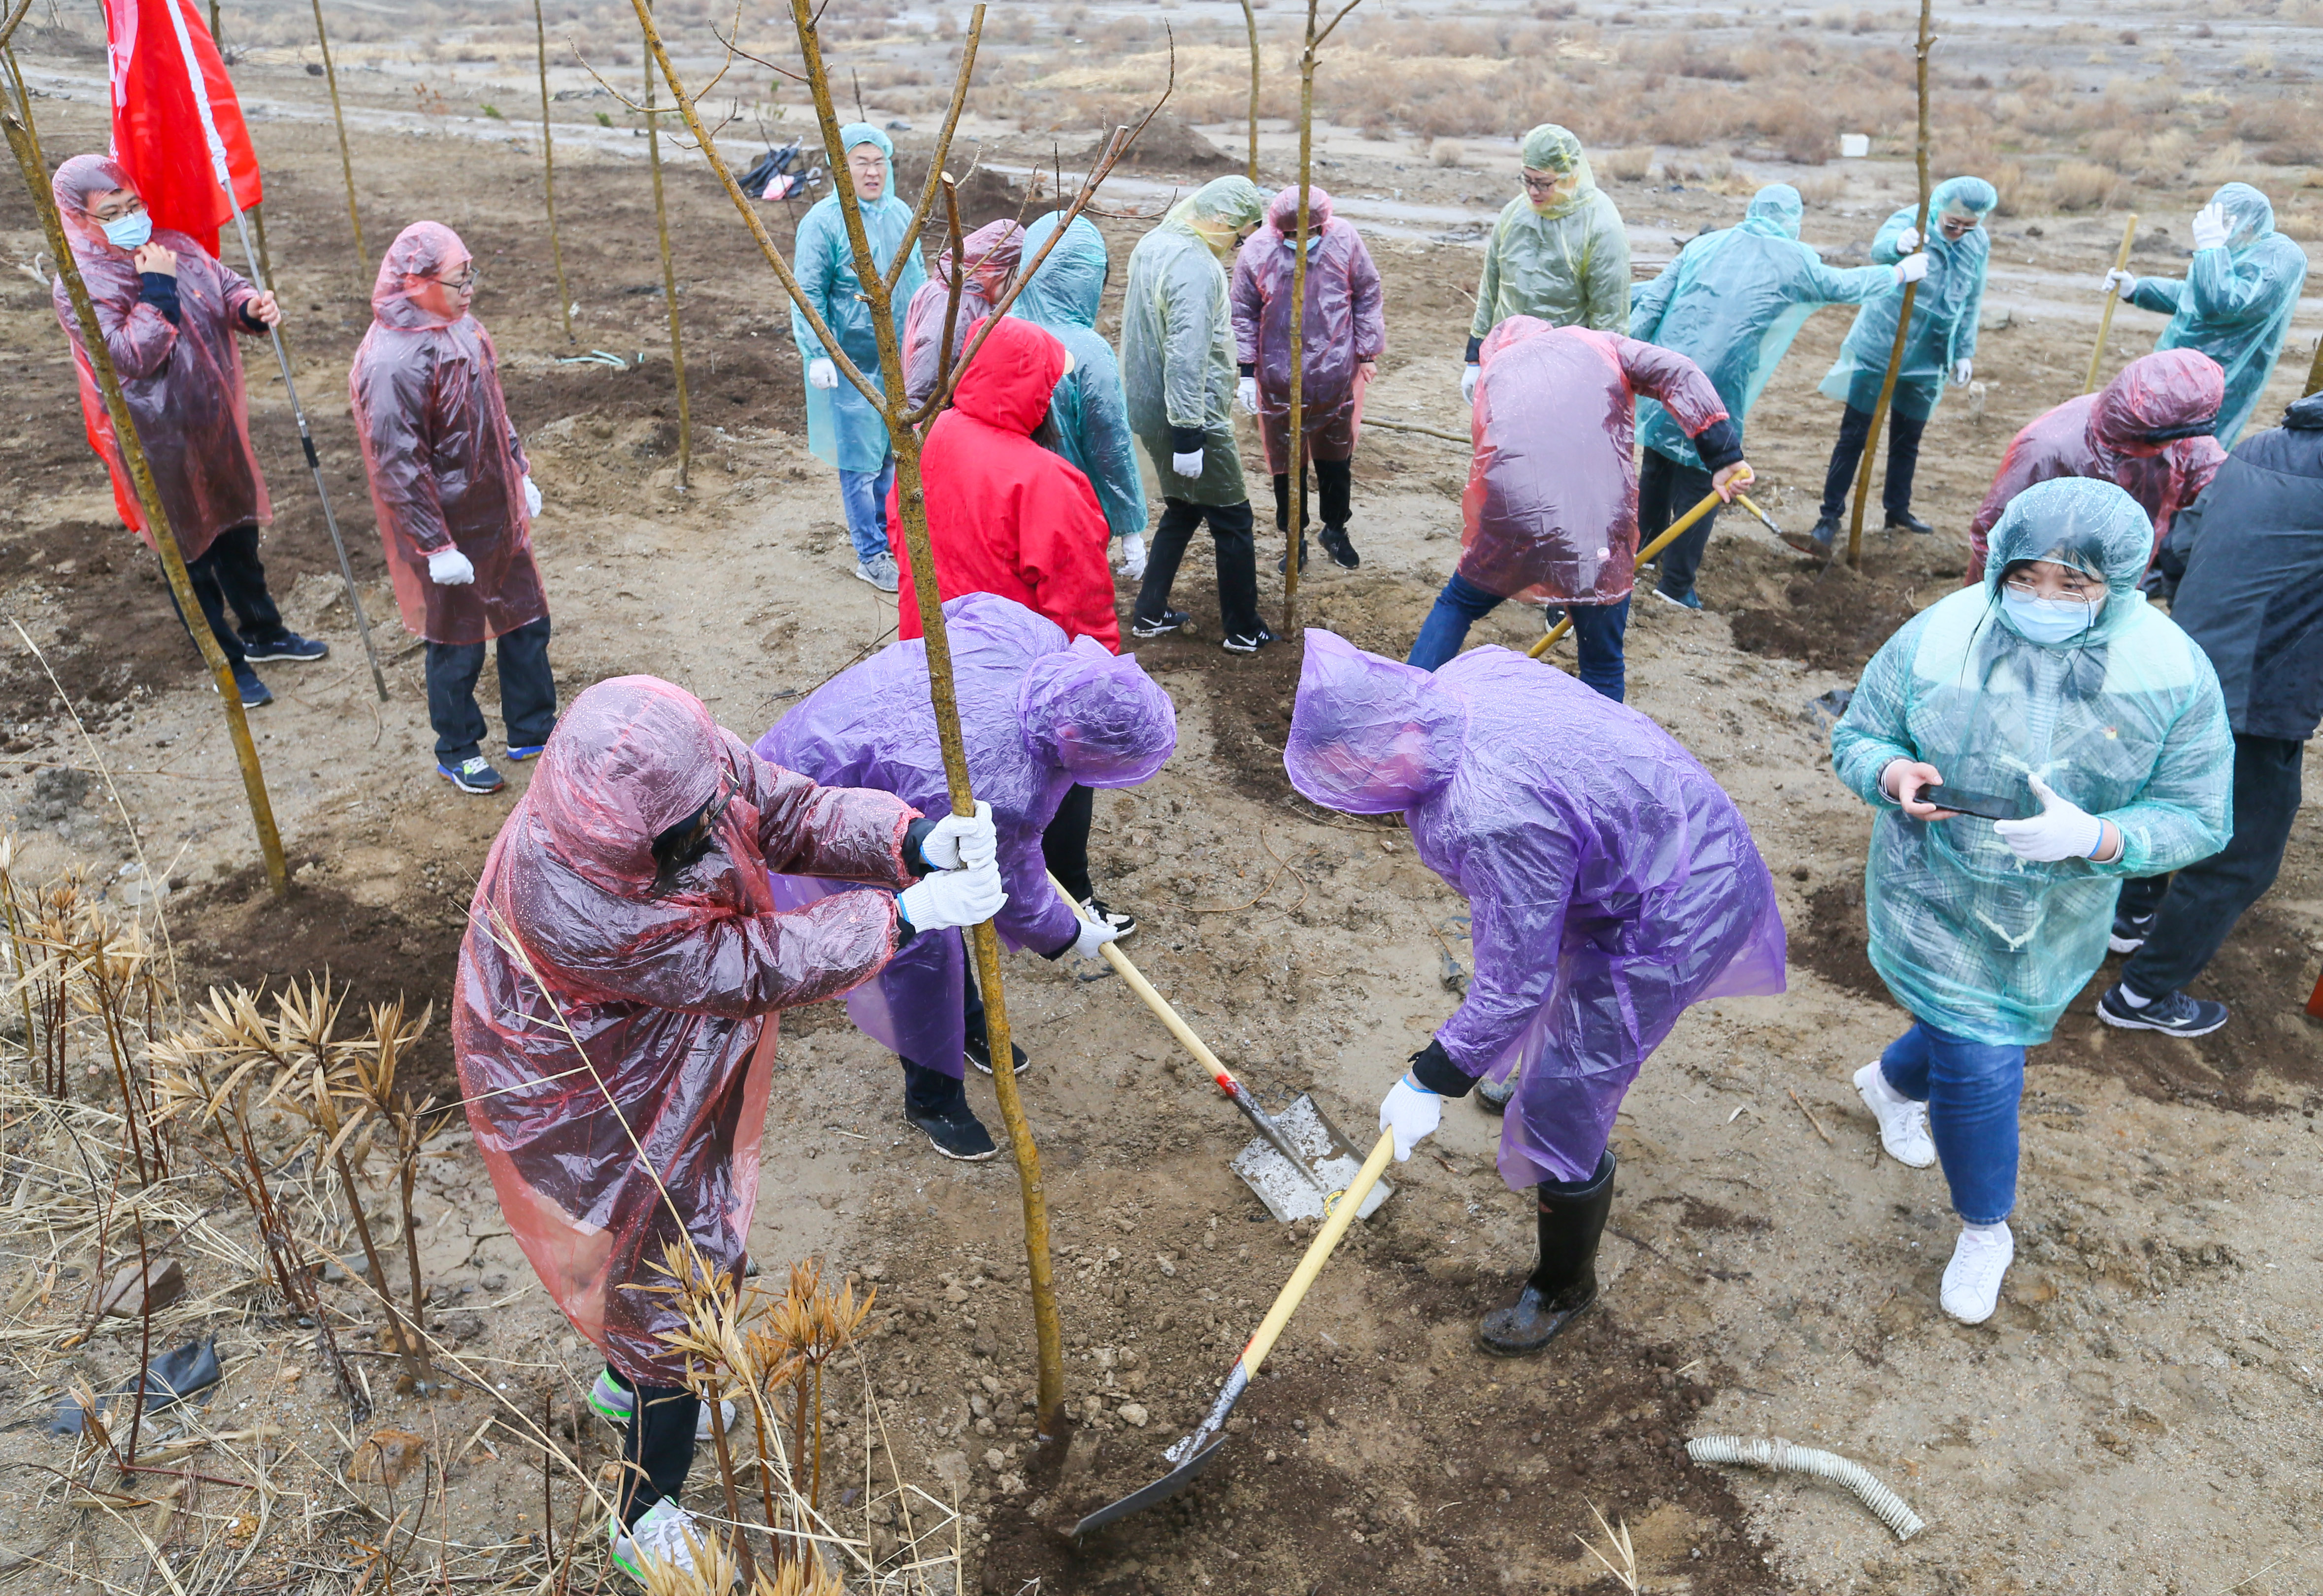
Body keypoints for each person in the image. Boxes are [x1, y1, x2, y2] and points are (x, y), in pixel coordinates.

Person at [455, 675, 1002, 1583]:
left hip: (661, 1055)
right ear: (632, 838)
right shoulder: (580, 900)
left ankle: (624, 1381)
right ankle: (644, 1512)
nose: (718, 816)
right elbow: (746, 962)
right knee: (670, 1282)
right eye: (698, 820)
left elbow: (783, 809)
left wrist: (909, 839)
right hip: (580, 1094)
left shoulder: (676, 769)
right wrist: (901, 916)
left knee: (660, 1264)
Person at [1283, 631, 1784, 1354]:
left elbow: (1513, 984)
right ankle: (1522, 1079)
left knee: (1564, 1100)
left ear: (1394, 734)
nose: (1362, 785)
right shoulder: (1469, 675)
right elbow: (1527, 934)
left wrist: (1430, 1079)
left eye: (1358, 768)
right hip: (1658, 828)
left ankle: (1563, 1286)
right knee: (1543, 965)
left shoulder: (1491, 817)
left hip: (1678, 904)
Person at [1830, 478, 2231, 1325]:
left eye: (2074, 584)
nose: (2044, 599)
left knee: (1962, 1026)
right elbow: (1860, 734)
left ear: (2119, 584)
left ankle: (1891, 1085)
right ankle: (1986, 1227)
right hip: (1931, 889)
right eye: (2025, 577)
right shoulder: (1941, 634)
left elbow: (2199, 814)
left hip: (2054, 914)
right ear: (1999, 569)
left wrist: (2100, 839)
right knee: (1981, 1057)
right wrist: (1893, 774)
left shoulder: (2169, 672)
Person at [759, 594, 1176, 1157]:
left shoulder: (1028, 630)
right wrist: (1072, 934)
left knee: (947, 921)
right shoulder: (1003, 788)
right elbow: (1018, 892)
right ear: (1078, 744)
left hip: (850, 727)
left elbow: (958, 607)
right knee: (922, 945)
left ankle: (969, 1025)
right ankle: (933, 1099)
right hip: (824, 798)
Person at [888, 315, 1136, 950]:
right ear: (1034, 390)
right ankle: (1069, 897)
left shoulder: (926, 438)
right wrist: (1096, 689)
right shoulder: (1047, 481)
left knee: (957, 783)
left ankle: (980, 888)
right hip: (1021, 676)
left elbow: (900, 533)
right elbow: (1081, 606)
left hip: (932, 652)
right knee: (1057, 781)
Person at [48, 154, 326, 709]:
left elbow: (222, 286)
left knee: (237, 533)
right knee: (189, 553)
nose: (131, 218)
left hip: (211, 418)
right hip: (153, 442)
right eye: (112, 212)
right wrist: (157, 286)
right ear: (79, 219)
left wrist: (251, 306)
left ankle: (264, 631)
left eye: (135, 205)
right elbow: (131, 356)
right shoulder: (77, 284)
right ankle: (227, 661)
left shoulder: (174, 244)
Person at [2098, 392, 2323, 1035]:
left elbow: (2181, 546)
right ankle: (2141, 995)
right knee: (2240, 855)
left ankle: (2129, 915)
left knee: (2170, 795)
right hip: (2260, 693)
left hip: (2181, 661)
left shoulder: (2255, 449)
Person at [1407, 317, 1748, 701]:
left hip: (1512, 520)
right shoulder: (1602, 344)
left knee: (1458, 603)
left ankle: (1409, 703)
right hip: (1597, 530)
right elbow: (1678, 372)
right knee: (1602, 664)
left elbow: (1492, 465)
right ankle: (1598, 754)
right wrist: (1722, 455)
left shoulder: (1499, 369)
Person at [1628, 182, 1924, 609]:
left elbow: (1655, 297)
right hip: (1721, 380)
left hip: (1668, 367)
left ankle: (1647, 554)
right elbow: (1839, 286)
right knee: (1703, 471)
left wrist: (1634, 357)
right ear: (1794, 221)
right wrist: (1895, 274)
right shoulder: (1795, 258)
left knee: (1659, 462)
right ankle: (1675, 586)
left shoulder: (1707, 245)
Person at [350, 222, 555, 796]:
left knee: (526, 620)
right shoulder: (391, 362)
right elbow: (397, 462)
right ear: (415, 283)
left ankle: (534, 729)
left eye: (471, 275)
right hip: (444, 523)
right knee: (457, 640)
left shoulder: (465, 330)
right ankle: (458, 748)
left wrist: (518, 471)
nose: (470, 289)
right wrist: (435, 545)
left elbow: (496, 410)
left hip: (495, 507)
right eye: (458, 279)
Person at [1119, 174, 1272, 652]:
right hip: (1191, 416)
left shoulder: (1155, 242)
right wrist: (1190, 432)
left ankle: (1149, 611)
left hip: (1148, 407)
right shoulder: (1196, 266)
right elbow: (1187, 356)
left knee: (1183, 510)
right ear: (1223, 219)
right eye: (1240, 233)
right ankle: (1243, 628)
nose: (1238, 244)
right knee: (1233, 519)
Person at [1806, 175, 1997, 549]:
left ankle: (1898, 512)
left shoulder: (1979, 242)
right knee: (1855, 434)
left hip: (1931, 355)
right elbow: (1880, 251)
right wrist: (1898, 246)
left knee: (1908, 440)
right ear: (1940, 209)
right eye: (1952, 224)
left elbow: (1972, 298)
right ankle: (1829, 516)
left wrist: (1963, 350)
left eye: (1969, 226)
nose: (1959, 232)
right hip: (1883, 345)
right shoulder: (1914, 220)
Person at [792, 124, 928, 593]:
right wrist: (817, 352)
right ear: (840, 169)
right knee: (859, 461)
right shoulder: (825, 222)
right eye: (860, 163)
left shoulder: (900, 213)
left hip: (897, 357)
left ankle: (890, 537)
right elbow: (807, 292)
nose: (872, 172)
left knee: (892, 453)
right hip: (849, 361)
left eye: (879, 162)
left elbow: (918, 279)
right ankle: (870, 554)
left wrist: (924, 340)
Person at [1963, 349, 2226, 585]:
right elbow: (1993, 533)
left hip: (2113, 580)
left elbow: (2218, 481)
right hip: (2042, 581)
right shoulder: (2048, 449)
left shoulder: (2180, 439)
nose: (2179, 444)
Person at [1230, 184, 1385, 572]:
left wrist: (1366, 352)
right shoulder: (1257, 251)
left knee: (1336, 459)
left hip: (1336, 374)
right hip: (1279, 378)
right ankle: (1294, 536)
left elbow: (1367, 293)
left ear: (1324, 225)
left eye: (1313, 233)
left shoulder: (1345, 240)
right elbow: (1243, 313)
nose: (1306, 241)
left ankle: (1335, 529)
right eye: (1296, 236)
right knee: (1287, 464)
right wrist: (1247, 372)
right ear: (1280, 231)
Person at [2104, 183, 2309, 449]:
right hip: (2177, 369)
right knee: (2149, 441)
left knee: (2188, 453)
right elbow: (2195, 297)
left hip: (2220, 379)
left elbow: (2221, 304)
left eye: (2226, 219)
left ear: (2248, 225)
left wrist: (2212, 251)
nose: (2219, 226)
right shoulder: (2233, 251)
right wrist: (2138, 289)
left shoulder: (2279, 259)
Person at [1009, 211, 1150, 578]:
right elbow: (1109, 443)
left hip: (1000, 508)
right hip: (1067, 514)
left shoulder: (997, 328)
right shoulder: (1087, 351)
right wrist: (1129, 525)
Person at [1461, 125, 1628, 404]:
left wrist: (1604, 379)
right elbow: (1491, 286)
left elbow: (1609, 315)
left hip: (1567, 367)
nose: (1533, 191)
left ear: (1570, 177)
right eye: (1526, 180)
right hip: (1506, 359)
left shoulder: (1600, 226)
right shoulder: (1515, 214)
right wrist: (1474, 357)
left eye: (1543, 183)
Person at [901, 218, 1024, 411]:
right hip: (940, 430)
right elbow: (924, 388)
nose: (1016, 289)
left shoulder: (947, 290)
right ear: (996, 269)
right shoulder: (958, 306)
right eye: (1015, 277)